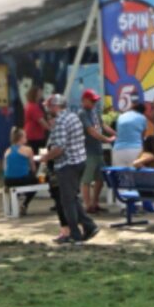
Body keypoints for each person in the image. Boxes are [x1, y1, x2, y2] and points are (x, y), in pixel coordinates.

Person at [39, 91, 96, 245]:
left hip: (67, 165)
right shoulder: (73, 116)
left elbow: (59, 148)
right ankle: (89, 226)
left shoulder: (60, 121)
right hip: (80, 161)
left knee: (67, 201)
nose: (48, 110)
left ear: (56, 106)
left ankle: (75, 234)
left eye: (50, 106)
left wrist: (45, 157)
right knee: (72, 198)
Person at [111, 99, 146, 173]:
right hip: (135, 149)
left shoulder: (121, 116)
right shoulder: (142, 118)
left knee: (120, 177)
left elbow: (118, 132)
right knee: (135, 177)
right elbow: (142, 137)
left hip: (118, 150)